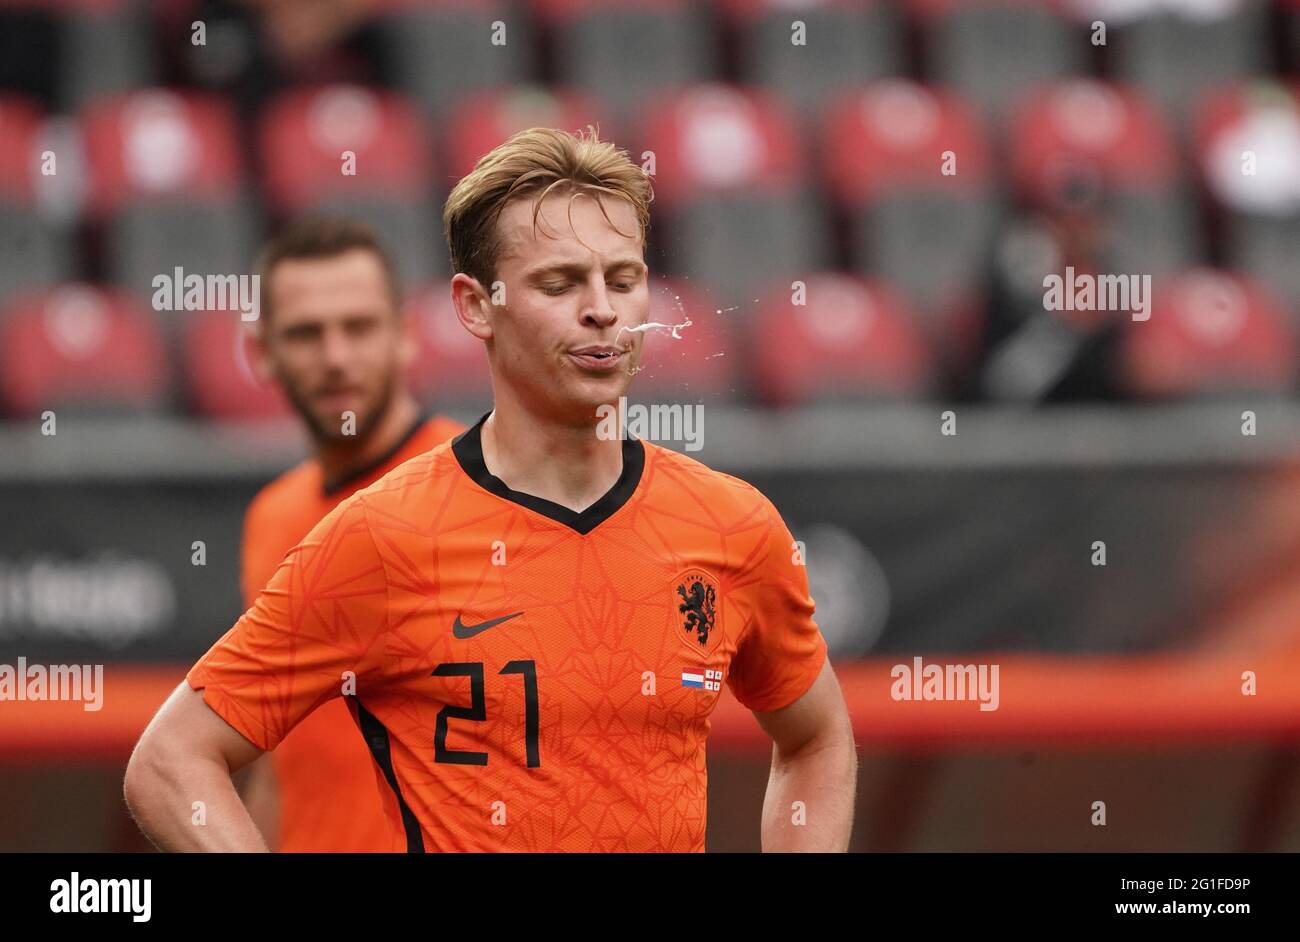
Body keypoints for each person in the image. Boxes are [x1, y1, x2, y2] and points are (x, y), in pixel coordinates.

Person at [125, 126, 857, 851]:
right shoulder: (382, 537)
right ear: (476, 306)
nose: (602, 308)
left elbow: (817, 738)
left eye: (624, 279)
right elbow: (170, 761)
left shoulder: (732, 525)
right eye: (560, 282)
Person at [234, 217, 462, 850]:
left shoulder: (478, 488)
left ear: (405, 334)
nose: (336, 357)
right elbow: (277, 758)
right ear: (262, 352)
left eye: (358, 327)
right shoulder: (272, 517)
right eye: (306, 334)